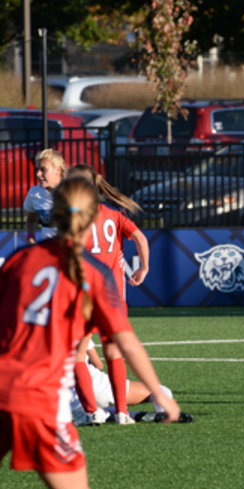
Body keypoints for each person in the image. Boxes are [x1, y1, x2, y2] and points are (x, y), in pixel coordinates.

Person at [0, 176, 180, 489]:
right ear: (92, 216)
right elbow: (125, 342)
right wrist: (159, 394)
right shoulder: (91, 273)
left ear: (54, 214)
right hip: (39, 401)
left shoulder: (20, 260)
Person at [67, 164, 149, 425]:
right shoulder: (113, 215)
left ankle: (92, 412)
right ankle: (122, 413)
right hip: (114, 299)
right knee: (113, 353)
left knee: (78, 355)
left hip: (87, 297)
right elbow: (141, 238)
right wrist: (143, 267)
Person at [23, 148, 66, 243]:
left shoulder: (73, 191)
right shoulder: (35, 193)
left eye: (43, 169)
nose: (38, 174)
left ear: (57, 170)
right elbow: (31, 220)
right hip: (48, 250)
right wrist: (31, 238)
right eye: (37, 169)